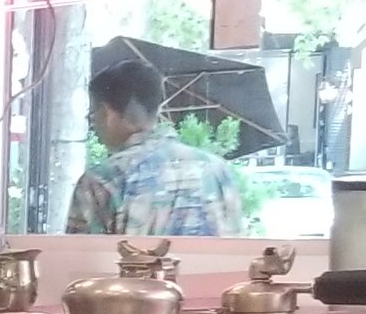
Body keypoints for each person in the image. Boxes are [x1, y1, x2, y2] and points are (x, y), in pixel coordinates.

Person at [66, 54, 244, 236]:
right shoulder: (218, 171)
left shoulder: (102, 180)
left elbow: (78, 259)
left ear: (107, 113)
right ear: (157, 109)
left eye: (93, 115)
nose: (94, 125)